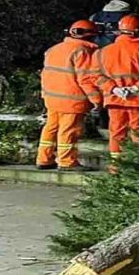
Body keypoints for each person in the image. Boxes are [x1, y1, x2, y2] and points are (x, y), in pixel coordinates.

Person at [85, 15, 139, 172]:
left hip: (115, 99)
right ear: (138, 31)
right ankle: (137, 167)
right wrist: (136, 88)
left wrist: (114, 89)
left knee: (116, 132)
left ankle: (115, 167)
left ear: (119, 31)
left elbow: (94, 76)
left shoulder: (102, 53)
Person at [36, 19, 102, 171]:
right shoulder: (83, 52)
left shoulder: (54, 49)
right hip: (72, 99)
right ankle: (67, 162)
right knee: (69, 130)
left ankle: (44, 159)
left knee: (51, 128)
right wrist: (96, 100)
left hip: (51, 97)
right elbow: (85, 79)